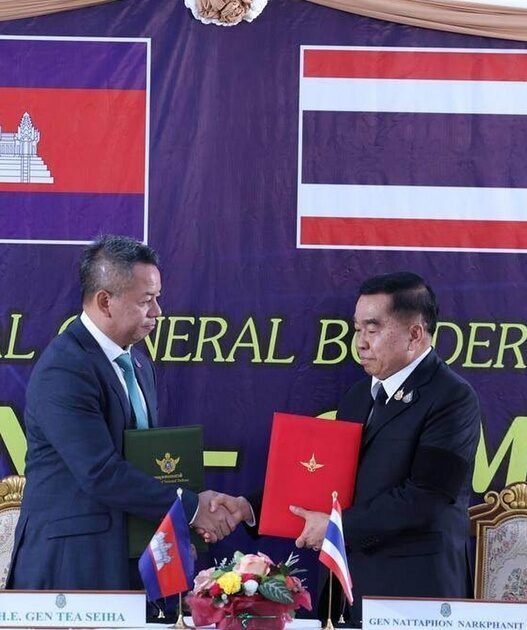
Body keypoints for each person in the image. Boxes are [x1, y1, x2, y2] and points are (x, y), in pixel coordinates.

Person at [7, 235, 250, 591]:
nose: (158, 312)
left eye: (158, 298)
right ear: (105, 301)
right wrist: (191, 509)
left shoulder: (138, 363)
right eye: (146, 301)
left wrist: (174, 529)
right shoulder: (65, 368)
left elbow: (143, 465)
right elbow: (100, 472)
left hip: (126, 560)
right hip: (72, 567)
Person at [289, 272, 481, 627]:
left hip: (414, 594)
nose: (360, 343)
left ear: (415, 334)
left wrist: (336, 528)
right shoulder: (358, 396)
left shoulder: (453, 398)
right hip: (347, 589)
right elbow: (327, 478)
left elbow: (426, 497)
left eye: (372, 329)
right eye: (357, 329)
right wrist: (248, 508)